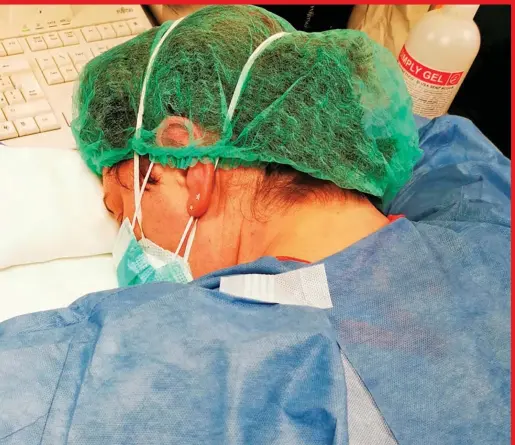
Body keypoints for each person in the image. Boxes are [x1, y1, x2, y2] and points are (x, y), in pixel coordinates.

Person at [0, 6, 509, 444]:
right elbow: (437, 141)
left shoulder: (170, 367)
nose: (127, 239)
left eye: (122, 211)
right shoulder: (487, 225)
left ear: (187, 165)